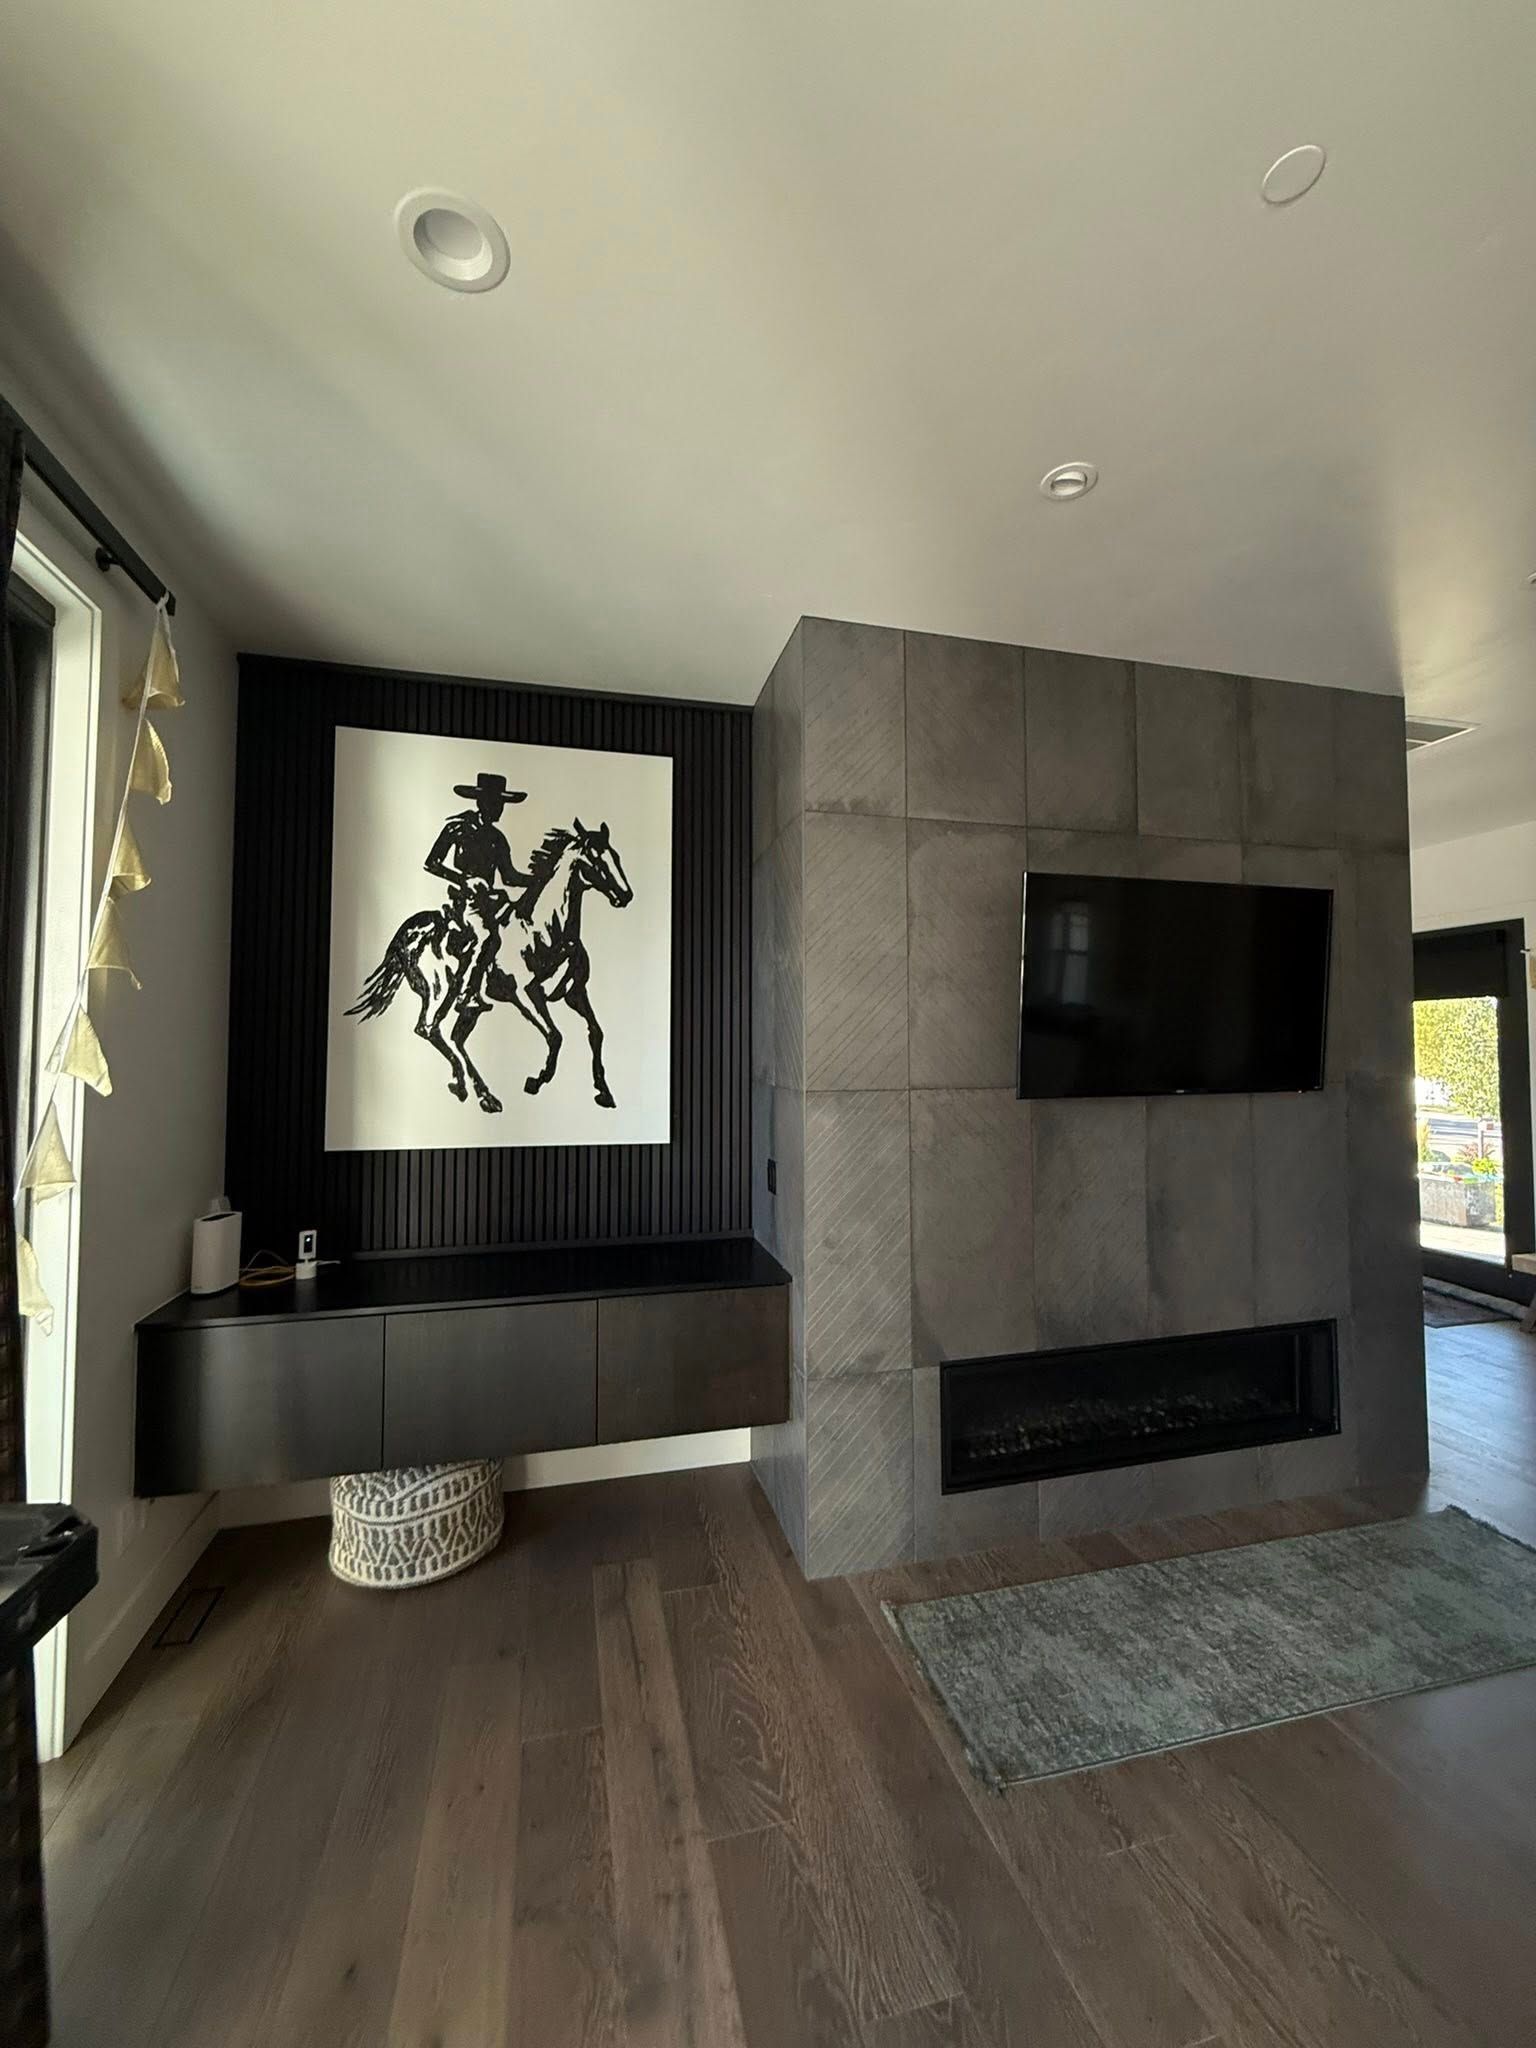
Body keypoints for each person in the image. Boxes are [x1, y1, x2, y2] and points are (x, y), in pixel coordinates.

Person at [422, 771, 534, 1014]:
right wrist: (464, 880)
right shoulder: (457, 828)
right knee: (485, 936)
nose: (499, 809)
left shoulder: (498, 838)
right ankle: (466, 993)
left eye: (501, 804)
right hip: (465, 900)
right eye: (495, 803)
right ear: (481, 802)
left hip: (490, 901)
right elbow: (431, 863)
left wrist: (538, 879)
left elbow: (509, 876)